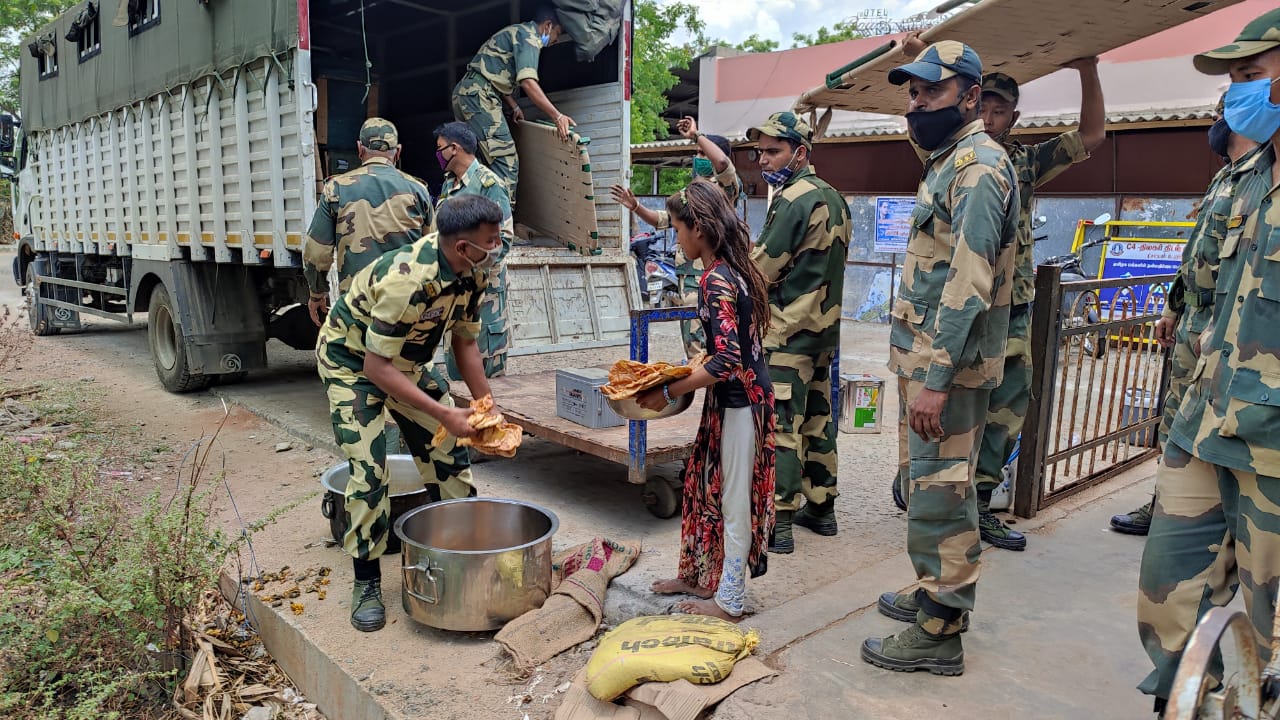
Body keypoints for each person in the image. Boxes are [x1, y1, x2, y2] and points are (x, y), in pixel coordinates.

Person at [891, 36, 1104, 555]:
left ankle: (971, 510)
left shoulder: (1006, 164)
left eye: (999, 108)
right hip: (960, 322)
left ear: (1011, 114)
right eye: (984, 106)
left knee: (1003, 413)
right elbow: (921, 111)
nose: (989, 115)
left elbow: (1092, 135)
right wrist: (924, 52)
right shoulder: (950, 156)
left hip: (1006, 310)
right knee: (943, 439)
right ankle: (943, 507)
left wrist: (1087, 68)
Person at [1136, 8, 1280, 714]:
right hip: (1206, 420)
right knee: (1170, 590)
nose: (1236, 95)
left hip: (1273, 449)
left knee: (1269, 634)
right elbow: (1209, 283)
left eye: (1252, 77)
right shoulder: (1248, 177)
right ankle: (1183, 700)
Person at [863, 41, 1018, 675]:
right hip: (928, 364)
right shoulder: (949, 160)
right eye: (912, 92)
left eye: (930, 91)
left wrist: (937, 379)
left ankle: (940, 631)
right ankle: (933, 593)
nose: (916, 103)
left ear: (972, 96)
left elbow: (968, 281)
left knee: (944, 497)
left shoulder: (979, 170)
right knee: (930, 490)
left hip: (945, 372)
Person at [316, 194, 506, 632]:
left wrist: (484, 407)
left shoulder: (473, 275)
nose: (497, 248)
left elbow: (466, 343)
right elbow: (374, 367)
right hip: (351, 366)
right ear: (463, 247)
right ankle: (365, 580)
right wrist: (444, 414)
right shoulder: (409, 281)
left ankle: (459, 557)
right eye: (492, 242)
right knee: (369, 471)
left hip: (402, 365)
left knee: (449, 456)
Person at [1109, 103, 1262, 535]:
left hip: (1222, 327)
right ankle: (1165, 506)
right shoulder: (1225, 176)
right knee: (1175, 422)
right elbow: (1196, 251)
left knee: (1212, 426)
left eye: (1221, 112)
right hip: (1193, 319)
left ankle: (1202, 518)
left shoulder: (1258, 179)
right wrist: (1173, 308)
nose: (1214, 121)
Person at [634, 181, 776, 622]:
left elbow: (729, 358)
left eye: (677, 229)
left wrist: (666, 392)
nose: (675, 239)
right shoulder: (732, 268)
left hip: (740, 403)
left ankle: (730, 599)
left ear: (698, 228)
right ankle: (698, 575)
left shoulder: (716, 280)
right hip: (734, 399)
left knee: (734, 500)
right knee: (700, 485)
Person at [747, 111, 851, 554]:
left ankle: (781, 519)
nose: (763, 160)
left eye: (773, 151)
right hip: (823, 333)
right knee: (819, 421)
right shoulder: (835, 197)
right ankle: (821, 508)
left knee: (780, 426)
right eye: (760, 151)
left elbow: (761, 269)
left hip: (787, 335)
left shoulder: (792, 199)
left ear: (801, 152)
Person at [611, 116, 745, 357]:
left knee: (710, 352)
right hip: (687, 280)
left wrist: (697, 135)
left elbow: (723, 162)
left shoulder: (723, 191)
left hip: (709, 277)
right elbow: (663, 219)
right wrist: (635, 206)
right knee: (694, 349)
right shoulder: (690, 193)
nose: (699, 158)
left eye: (703, 154)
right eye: (697, 154)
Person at [302, 118, 435, 326]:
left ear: (359, 149)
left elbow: (317, 252)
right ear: (398, 151)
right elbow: (432, 251)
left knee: (359, 357)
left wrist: (317, 293)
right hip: (404, 304)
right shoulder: (418, 190)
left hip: (358, 304)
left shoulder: (336, 189)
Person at [452, 6, 575, 204]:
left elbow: (494, 73)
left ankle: (469, 218)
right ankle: (502, 227)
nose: (555, 40)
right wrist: (557, 116)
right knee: (505, 161)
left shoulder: (515, 32)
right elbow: (528, 81)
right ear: (547, 26)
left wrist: (514, 106)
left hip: (465, 93)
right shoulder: (529, 38)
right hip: (479, 96)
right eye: (557, 34)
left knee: (474, 163)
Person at [434, 121, 514, 379]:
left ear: (454, 148)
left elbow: (504, 240)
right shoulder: (449, 185)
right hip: (454, 292)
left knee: (486, 370)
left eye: (440, 148)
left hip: (484, 294)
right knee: (457, 368)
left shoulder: (489, 184)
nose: (438, 154)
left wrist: (468, 266)